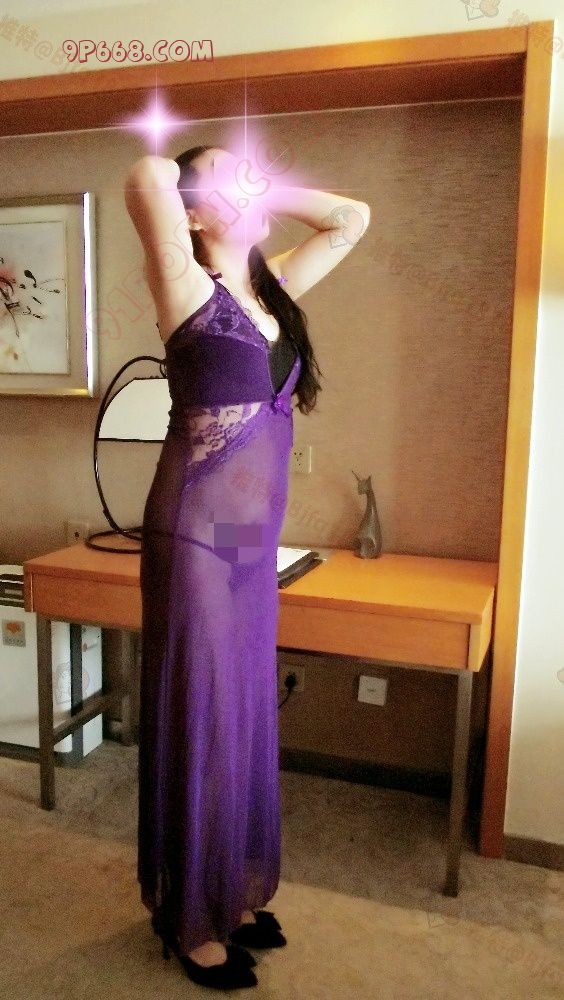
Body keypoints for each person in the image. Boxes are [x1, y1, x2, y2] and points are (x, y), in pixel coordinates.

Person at [124, 144, 370, 989]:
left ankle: (225, 892)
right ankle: (189, 919)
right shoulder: (185, 289)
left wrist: (260, 188)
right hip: (194, 533)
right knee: (201, 715)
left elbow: (352, 219)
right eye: (227, 179)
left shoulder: (273, 290)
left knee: (241, 714)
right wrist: (208, 180)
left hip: (246, 542)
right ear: (193, 214)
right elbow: (147, 176)